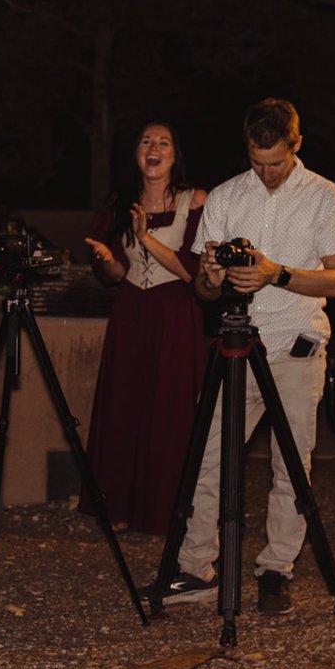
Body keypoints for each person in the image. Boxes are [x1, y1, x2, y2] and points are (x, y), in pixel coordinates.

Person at [165, 99, 335, 613]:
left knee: (290, 466)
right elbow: (205, 292)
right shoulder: (228, 196)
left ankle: (276, 569)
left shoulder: (326, 197)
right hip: (238, 343)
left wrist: (277, 274)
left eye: (275, 161)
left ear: (297, 144)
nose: (267, 173)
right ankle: (194, 568)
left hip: (296, 343)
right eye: (257, 162)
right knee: (209, 457)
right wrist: (210, 278)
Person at [82, 122, 209, 533]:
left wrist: (148, 238)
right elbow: (121, 272)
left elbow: (193, 273)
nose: (153, 148)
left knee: (171, 410)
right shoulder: (122, 203)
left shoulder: (196, 202)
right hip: (132, 311)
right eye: (145, 141)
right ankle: (119, 506)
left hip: (175, 314)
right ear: (137, 153)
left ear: (175, 155)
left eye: (163, 142)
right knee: (125, 405)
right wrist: (107, 259)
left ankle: (165, 512)